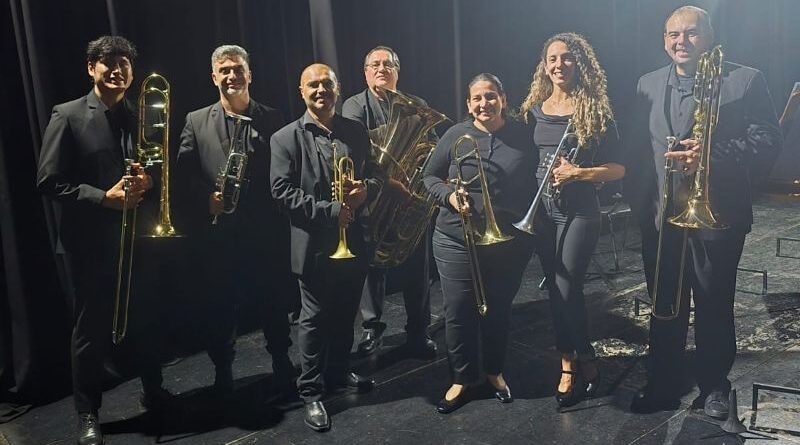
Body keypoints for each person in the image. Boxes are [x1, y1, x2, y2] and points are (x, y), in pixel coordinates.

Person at [625, 6, 782, 418]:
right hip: (661, 218)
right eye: (673, 34)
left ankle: (714, 386)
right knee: (665, 305)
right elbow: (639, 152)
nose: (681, 41)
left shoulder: (745, 79)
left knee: (713, 303)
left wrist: (711, 154)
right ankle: (665, 381)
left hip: (717, 216)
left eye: (691, 34)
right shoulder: (647, 83)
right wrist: (640, 206)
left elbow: (767, 140)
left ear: (709, 36)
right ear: (664, 40)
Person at [36, 36, 168, 445]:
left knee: (147, 319)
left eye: (124, 63)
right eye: (107, 62)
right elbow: (49, 180)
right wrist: (103, 198)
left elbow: (156, 167)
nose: (116, 69)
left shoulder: (140, 115)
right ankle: (88, 413)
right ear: (91, 68)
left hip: (138, 237)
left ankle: (154, 390)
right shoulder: (69, 115)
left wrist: (150, 179)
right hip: (90, 242)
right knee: (89, 332)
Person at [174, 45, 295, 402]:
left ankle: (282, 362)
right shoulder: (196, 121)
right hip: (219, 233)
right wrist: (205, 198)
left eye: (237, 69)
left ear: (249, 74)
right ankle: (223, 370)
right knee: (221, 306)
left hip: (265, 230)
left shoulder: (273, 118)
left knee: (273, 301)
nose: (231, 76)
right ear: (214, 77)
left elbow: (287, 169)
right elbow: (184, 172)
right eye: (224, 70)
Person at [270, 63, 383, 432]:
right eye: (313, 85)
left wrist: (365, 188)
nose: (321, 90)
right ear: (301, 92)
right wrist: (331, 210)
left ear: (337, 89)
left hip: (354, 243)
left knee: (345, 313)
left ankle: (337, 373)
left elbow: (373, 175)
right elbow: (281, 191)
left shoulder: (355, 130)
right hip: (315, 246)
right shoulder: (285, 138)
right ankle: (311, 391)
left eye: (327, 84)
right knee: (314, 320)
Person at [519, 32, 625, 408]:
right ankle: (579, 359)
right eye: (552, 58)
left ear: (580, 64)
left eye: (567, 58)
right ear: (544, 66)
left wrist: (578, 173)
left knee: (567, 287)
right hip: (542, 212)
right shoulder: (533, 108)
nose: (559, 65)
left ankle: (575, 361)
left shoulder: (595, 110)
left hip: (579, 210)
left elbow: (618, 169)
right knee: (557, 290)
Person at [423, 73, 537, 414]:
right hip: (456, 238)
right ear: (468, 103)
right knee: (458, 310)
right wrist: (450, 197)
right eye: (477, 98)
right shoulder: (456, 135)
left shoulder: (522, 135)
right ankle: (462, 377)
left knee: (498, 310)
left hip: (507, 241)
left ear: (503, 97)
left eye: (490, 96)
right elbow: (428, 177)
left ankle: (494, 372)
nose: (483, 104)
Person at [342, 45, 437, 358]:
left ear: (397, 71)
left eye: (388, 64)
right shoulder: (354, 105)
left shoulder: (418, 104)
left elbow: (430, 147)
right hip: (375, 195)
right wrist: (389, 180)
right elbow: (358, 148)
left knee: (417, 266)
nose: (381, 69)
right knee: (373, 265)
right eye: (375, 64)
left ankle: (419, 330)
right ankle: (372, 327)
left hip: (409, 197)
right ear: (365, 72)